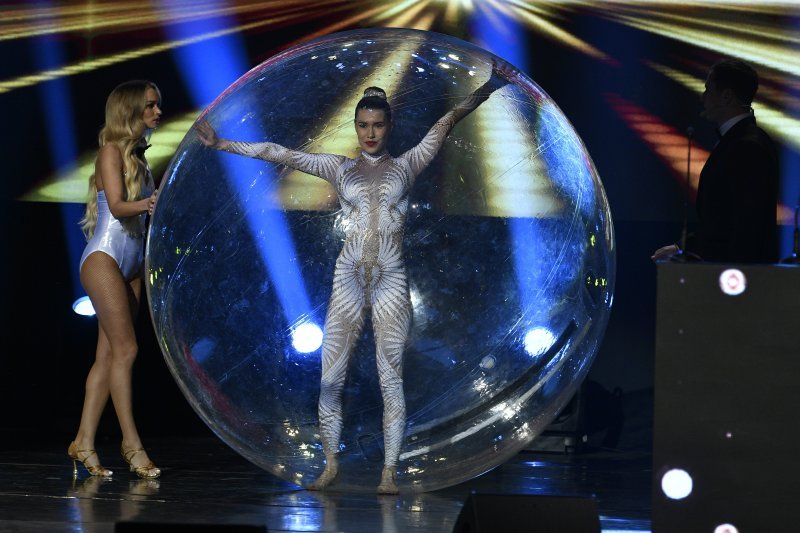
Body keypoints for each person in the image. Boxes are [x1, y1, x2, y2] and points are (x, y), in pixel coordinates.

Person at [197, 62, 514, 493]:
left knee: (390, 379)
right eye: (363, 125)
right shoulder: (339, 168)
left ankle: (389, 472)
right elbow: (280, 153)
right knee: (330, 378)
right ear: (355, 125)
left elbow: (446, 121)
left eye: (377, 125)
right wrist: (222, 144)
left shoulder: (408, 164)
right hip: (347, 277)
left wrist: (490, 86)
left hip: (390, 279)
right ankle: (330, 464)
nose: (370, 133)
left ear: (389, 126)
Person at [69, 80, 162, 480]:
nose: (157, 112)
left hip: (132, 264)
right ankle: (131, 444)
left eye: (157, 105)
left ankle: (83, 441)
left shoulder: (140, 158)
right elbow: (120, 206)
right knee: (127, 350)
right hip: (104, 258)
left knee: (108, 357)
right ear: (130, 110)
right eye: (150, 105)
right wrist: (149, 202)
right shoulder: (109, 152)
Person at [652, 58, 779, 263]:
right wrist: (682, 249)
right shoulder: (741, 141)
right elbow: (722, 221)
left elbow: (743, 225)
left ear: (727, 96)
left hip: (736, 275)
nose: (703, 97)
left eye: (708, 90)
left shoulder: (748, 146)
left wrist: (689, 253)